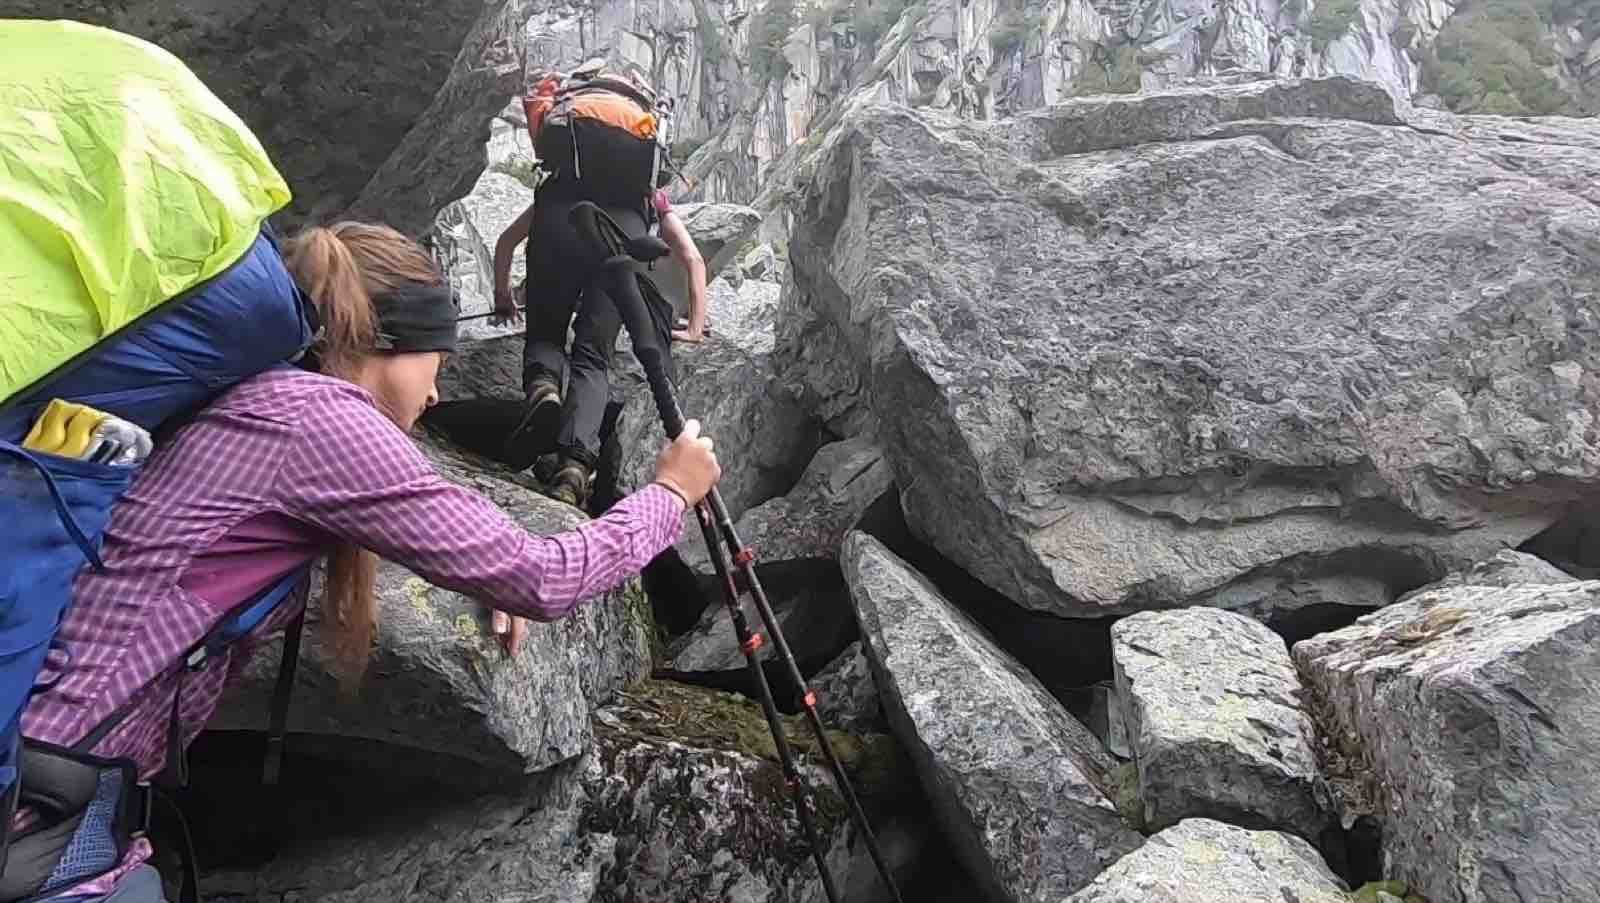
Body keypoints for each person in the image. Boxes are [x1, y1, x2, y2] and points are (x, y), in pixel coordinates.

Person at [21, 221, 721, 902]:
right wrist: (670, 494)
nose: (438, 391)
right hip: (44, 809)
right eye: (437, 363)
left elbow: (290, 526)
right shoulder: (321, 420)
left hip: (54, 775)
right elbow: (544, 576)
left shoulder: (275, 399)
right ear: (391, 342)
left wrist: (476, 571)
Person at [490, 179, 707, 510]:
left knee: (546, 335)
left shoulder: (561, 182)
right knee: (593, 357)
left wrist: (502, 296)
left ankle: (544, 389)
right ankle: (574, 470)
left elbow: (506, 242)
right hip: (618, 245)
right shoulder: (647, 197)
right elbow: (693, 258)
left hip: (556, 229)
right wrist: (694, 327)